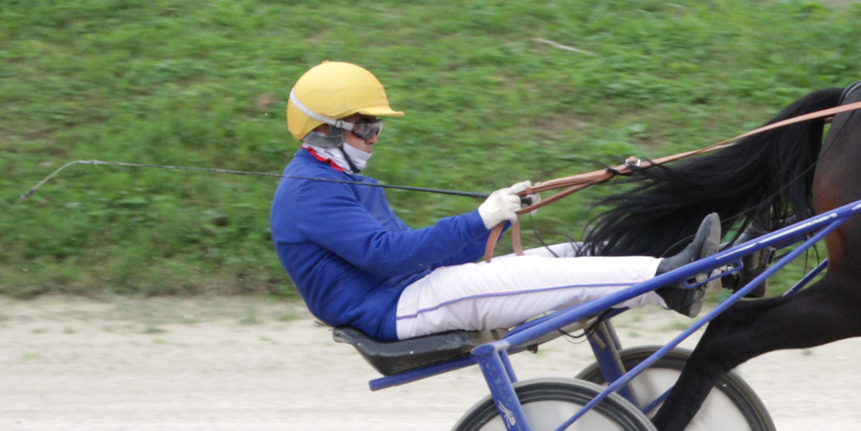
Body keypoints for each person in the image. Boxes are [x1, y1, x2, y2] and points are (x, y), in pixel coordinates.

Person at [269, 61, 721, 343]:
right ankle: (666, 281)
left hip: (409, 291)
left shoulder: (336, 176)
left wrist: (498, 221)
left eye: (376, 127)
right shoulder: (312, 191)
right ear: (326, 128)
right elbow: (388, 257)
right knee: (533, 274)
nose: (374, 137)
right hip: (391, 310)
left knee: (565, 256)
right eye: (365, 127)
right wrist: (477, 218)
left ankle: (692, 272)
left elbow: (412, 254)